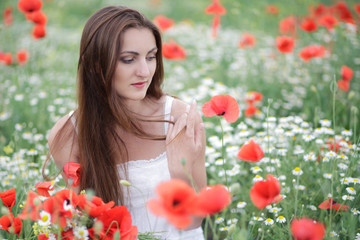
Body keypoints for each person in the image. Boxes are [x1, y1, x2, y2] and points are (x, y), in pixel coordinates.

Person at [46, 5, 207, 240]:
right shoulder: (69, 134)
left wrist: (180, 172)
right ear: (94, 64)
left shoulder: (178, 118)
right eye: (129, 59)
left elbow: (193, 223)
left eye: (151, 57)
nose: (145, 71)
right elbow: (82, 226)